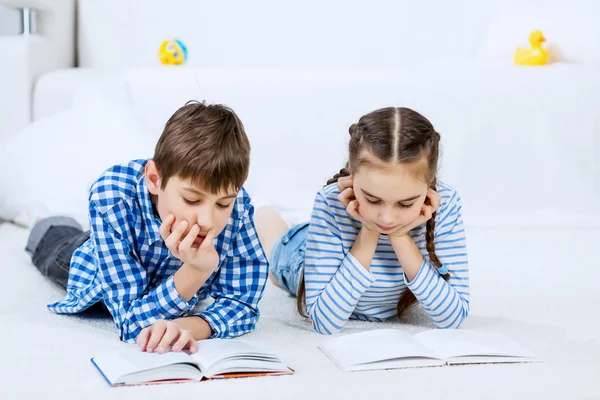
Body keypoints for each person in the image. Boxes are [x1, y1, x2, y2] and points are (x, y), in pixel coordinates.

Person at [26, 101, 268, 353]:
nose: (207, 221)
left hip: (155, 280)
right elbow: (130, 324)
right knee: (54, 243)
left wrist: (190, 326)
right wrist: (196, 271)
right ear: (154, 179)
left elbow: (243, 305)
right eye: (192, 200)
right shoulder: (112, 196)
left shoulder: (238, 207)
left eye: (223, 204)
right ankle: (45, 221)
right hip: (92, 266)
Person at [256, 107, 470, 334]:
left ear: (429, 185)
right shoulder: (330, 202)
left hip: (334, 244)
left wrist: (400, 236)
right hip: (300, 255)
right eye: (372, 199)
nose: (386, 218)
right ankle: (264, 207)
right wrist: (369, 231)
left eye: (405, 204)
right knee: (274, 248)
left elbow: (453, 318)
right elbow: (325, 322)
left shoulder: (445, 204)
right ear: (351, 173)